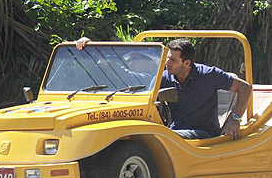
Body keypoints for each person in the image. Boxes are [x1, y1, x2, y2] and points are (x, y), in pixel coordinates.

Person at [75, 36, 252, 140]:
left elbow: (244, 88)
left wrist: (235, 119)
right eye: (166, 58)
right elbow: (130, 78)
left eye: (172, 60)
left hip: (202, 133)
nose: (167, 63)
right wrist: (94, 48)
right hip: (173, 132)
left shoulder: (209, 74)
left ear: (187, 63)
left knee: (161, 138)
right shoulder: (166, 76)